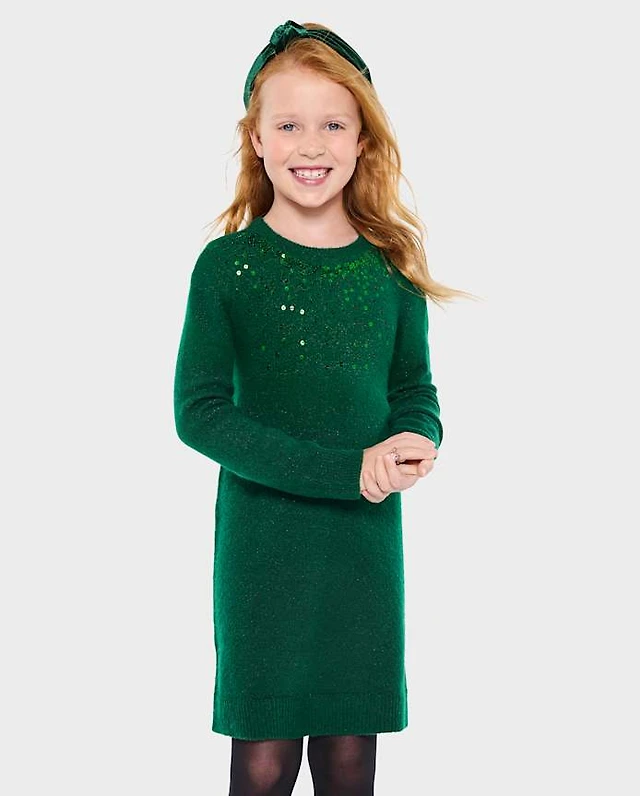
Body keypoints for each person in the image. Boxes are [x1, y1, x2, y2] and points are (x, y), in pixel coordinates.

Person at [173, 19, 471, 796]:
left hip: (361, 555)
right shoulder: (228, 268)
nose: (312, 145)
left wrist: (415, 436)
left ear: (363, 139)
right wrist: (346, 470)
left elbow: (415, 390)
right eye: (289, 125)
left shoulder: (390, 269)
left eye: (333, 124)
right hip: (263, 554)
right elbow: (200, 412)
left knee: (348, 761)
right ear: (256, 140)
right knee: (264, 764)